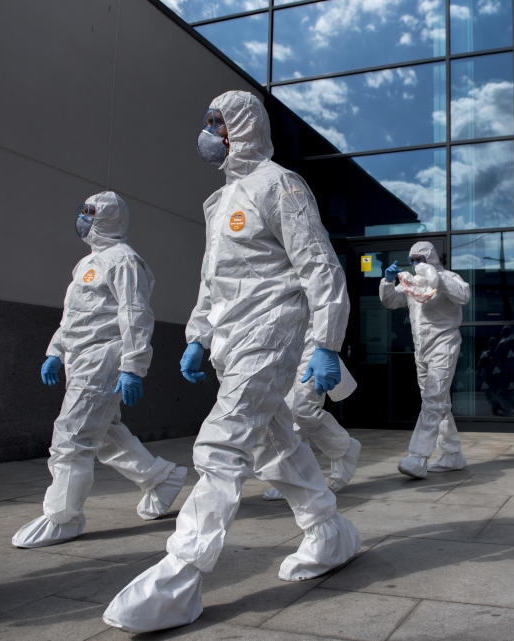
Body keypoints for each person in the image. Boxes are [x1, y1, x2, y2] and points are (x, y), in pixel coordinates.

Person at [103, 91, 359, 633]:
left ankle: (182, 575)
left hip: (272, 331)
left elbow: (320, 267)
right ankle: (328, 531)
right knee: (275, 442)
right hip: (230, 338)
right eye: (207, 122)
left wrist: (326, 343)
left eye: (216, 123)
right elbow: (211, 279)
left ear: (241, 126)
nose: (207, 132)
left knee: (221, 444)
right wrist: (198, 334)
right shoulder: (220, 202)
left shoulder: (279, 184)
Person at [12, 192, 186, 549]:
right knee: (105, 434)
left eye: (90, 213)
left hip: (103, 359)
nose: (82, 218)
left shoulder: (125, 261)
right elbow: (75, 314)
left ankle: (64, 516)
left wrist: (133, 367)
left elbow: (135, 314)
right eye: (82, 211)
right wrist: (56, 351)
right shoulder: (87, 263)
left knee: (72, 435)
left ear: (107, 218)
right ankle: (161, 478)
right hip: (79, 358)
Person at [381, 242, 471, 479]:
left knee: (433, 399)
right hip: (421, 349)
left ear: (430, 258)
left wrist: (437, 279)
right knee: (437, 402)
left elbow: (464, 295)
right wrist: (388, 282)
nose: (415, 264)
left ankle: (418, 456)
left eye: (419, 258)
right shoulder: (413, 283)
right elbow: (391, 301)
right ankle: (452, 454)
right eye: (412, 259)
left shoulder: (447, 277)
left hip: (445, 343)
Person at [262, 319, 361, 501]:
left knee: (303, 409)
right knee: (285, 415)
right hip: (276, 345)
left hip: (311, 342)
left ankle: (344, 448)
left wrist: (326, 347)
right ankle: (296, 479)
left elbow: (329, 297)